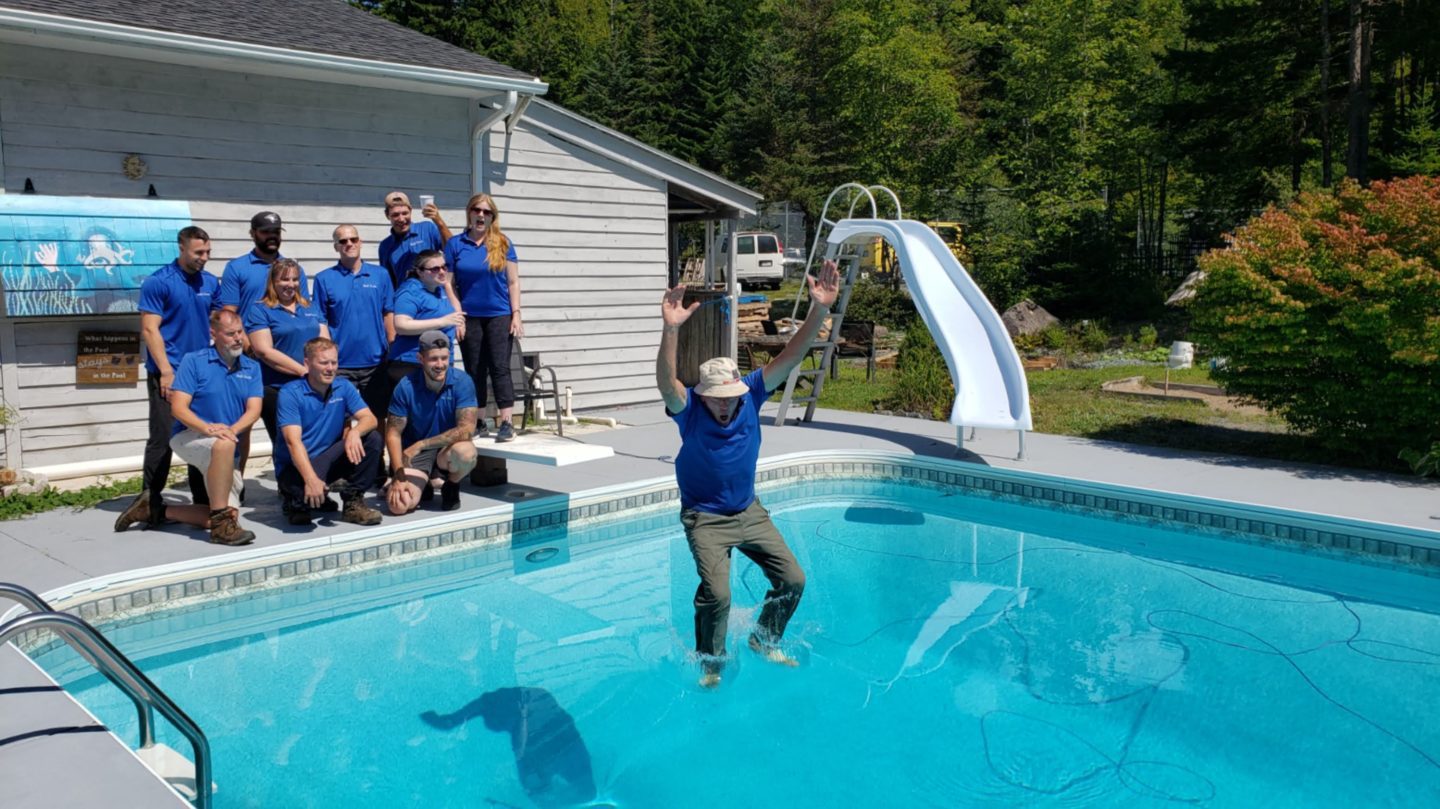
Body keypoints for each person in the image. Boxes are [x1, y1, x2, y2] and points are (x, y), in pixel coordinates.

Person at [655, 259, 840, 688]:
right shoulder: (690, 411)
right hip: (705, 517)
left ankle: (763, 638)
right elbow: (667, 384)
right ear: (703, 395)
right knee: (718, 594)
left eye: (730, 396)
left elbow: (792, 355)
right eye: (716, 397)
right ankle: (711, 663)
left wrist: (819, 310)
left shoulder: (752, 394)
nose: (725, 404)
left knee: (793, 579)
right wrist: (671, 329)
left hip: (749, 511)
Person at [115, 226, 218, 532]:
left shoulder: (210, 282)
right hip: (169, 372)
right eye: (198, 252)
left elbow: (218, 324)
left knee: (201, 435)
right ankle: (149, 499)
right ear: (181, 248)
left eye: (208, 252)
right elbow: (150, 330)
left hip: (201, 372)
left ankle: (203, 499)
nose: (204, 258)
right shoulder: (159, 282)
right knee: (163, 437)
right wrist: (166, 371)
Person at [162, 310, 263, 545]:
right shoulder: (194, 361)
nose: (238, 338)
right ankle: (221, 530)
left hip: (227, 441)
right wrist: (209, 429)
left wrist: (231, 430)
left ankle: (157, 510)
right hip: (190, 435)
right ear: (214, 334)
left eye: (240, 332)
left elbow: (254, 410)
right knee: (224, 444)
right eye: (230, 334)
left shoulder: (251, 368)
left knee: (230, 516)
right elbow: (178, 408)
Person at [274, 337, 385, 526]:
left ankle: (353, 503)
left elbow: (370, 419)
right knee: (301, 514)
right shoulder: (290, 393)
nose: (330, 368)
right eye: (324, 363)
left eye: (334, 362)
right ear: (307, 363)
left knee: (372, 439)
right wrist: (311, 479)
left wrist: (355, 432)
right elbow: (293, 443)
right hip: (296, 467)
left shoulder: (343, 387)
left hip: (328, 459)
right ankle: (296, 501)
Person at [445, 193, 521, 442]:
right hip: (470, 317)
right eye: (477, 210)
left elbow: (513, 282)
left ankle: (506, 422)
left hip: (499, 314)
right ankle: (479, 421)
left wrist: (516, 314)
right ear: (469, 212)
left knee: (500, 368)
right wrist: (457, 314)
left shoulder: (503, 243)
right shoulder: (455, 244)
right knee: (474, 370)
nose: (481, 215)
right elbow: (449, 284)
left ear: (492, 217)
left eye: (486, 212)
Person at [385, 331, 479, 515]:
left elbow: (467, 430)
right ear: (420, 358)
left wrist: (422, 444)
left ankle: (451, 485)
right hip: (416, 454)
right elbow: (393, 433)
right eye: (433, 359)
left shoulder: (462, 382)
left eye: (444, 358)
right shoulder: (405, 386)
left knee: (466, 453)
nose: (440, 364)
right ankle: (426, 481)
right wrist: (399, 474)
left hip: (446, 450)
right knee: (398, 506)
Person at [313, 225, 396, 426]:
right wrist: (328, 356)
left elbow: (388, 312)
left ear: (360, 242)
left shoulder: (380, 275)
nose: (349, 244)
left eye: (353, 239)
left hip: (375, 362)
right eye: (343, 241)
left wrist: (392, 346)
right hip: (340, 364)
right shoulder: (324, 279)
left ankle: (375, 450)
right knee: (339, 421)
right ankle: (345, 449)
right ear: (336, 247)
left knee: (377, 419)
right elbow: (320, 320)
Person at [244, 258, 329, 446]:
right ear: (273, 282)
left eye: (295, 279)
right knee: (286, 443)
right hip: (277, 388)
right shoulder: (260, 310)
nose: (291, 284)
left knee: (314, 440)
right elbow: (264, 351)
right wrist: (303, 371)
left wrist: (320, 372)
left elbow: (325, 343)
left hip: (312, 386)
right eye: (284, 279)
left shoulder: (311, 307)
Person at [388, 250, 463, 384]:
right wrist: (442, 322)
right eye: (435, 269)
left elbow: (453, 310)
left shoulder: (438, 288)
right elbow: (401, 325)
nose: (442, 272)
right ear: (420, 272)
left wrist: (458, 321)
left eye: (444, 267)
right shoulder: (410, 292)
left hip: (440, 361)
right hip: (413, 363)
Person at [220, 211, 306, 318]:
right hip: (249, 328)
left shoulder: (294, 270)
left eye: (276, 232)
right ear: (252, 233)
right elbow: (229, 313)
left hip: (286, 328)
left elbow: (303, 307)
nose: (272, 236)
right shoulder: (236, 268)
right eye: (266, 232)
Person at [378, 191, 455, 287]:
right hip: (405, 294)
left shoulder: (427, 228)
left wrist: (439, 222)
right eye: (395, 215)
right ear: (387, 215)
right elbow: (388, 282)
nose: (401, 219)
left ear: (411, 211)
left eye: (405, 213)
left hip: (433, 293)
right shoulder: (385, 246)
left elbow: (453, 250)